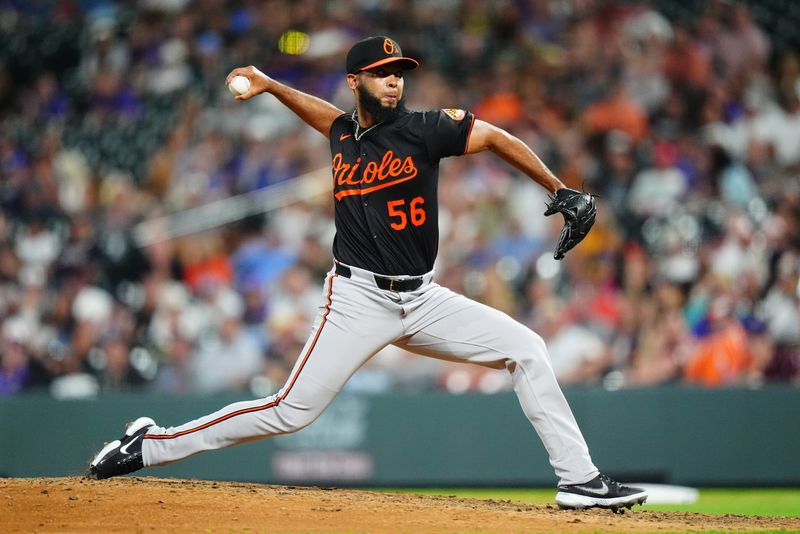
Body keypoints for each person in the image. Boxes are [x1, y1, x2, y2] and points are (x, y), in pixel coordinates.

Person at [87, 36, 648, 511]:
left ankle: (579, 480)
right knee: (289, 411)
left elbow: (496, 138)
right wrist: (270, 83)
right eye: (381, 74)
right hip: (355, 299)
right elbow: (322, 114)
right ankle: (150, 445)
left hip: (424, 299)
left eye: (398, 73)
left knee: (526, 347)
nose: (394, 82)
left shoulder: (425, 130)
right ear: (356, 81)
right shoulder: (341, 134)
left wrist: (559, 189)